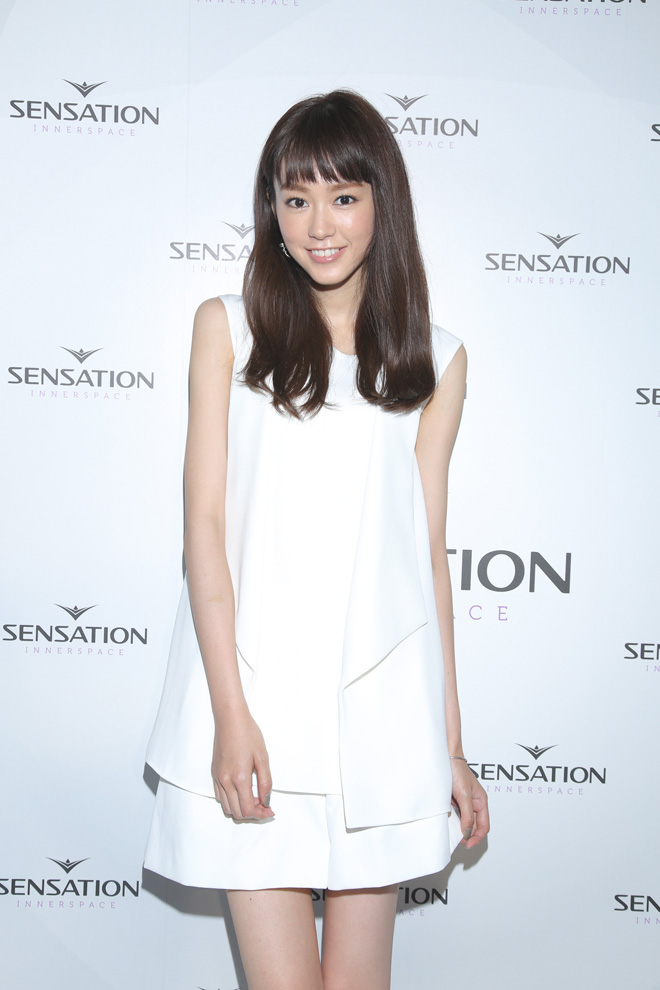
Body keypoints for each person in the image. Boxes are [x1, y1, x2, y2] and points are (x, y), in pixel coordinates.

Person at [145, 90, 489, 990]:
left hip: (381, 719)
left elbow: (427, 559)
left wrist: (450, 746)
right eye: (296, 199)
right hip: (254, 704)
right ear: (273, 210)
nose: (319, 225)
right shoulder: (228, 329)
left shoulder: (436, 361)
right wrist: (230, 715)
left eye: (343, 196)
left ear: (382, 202)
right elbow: (204, 528)